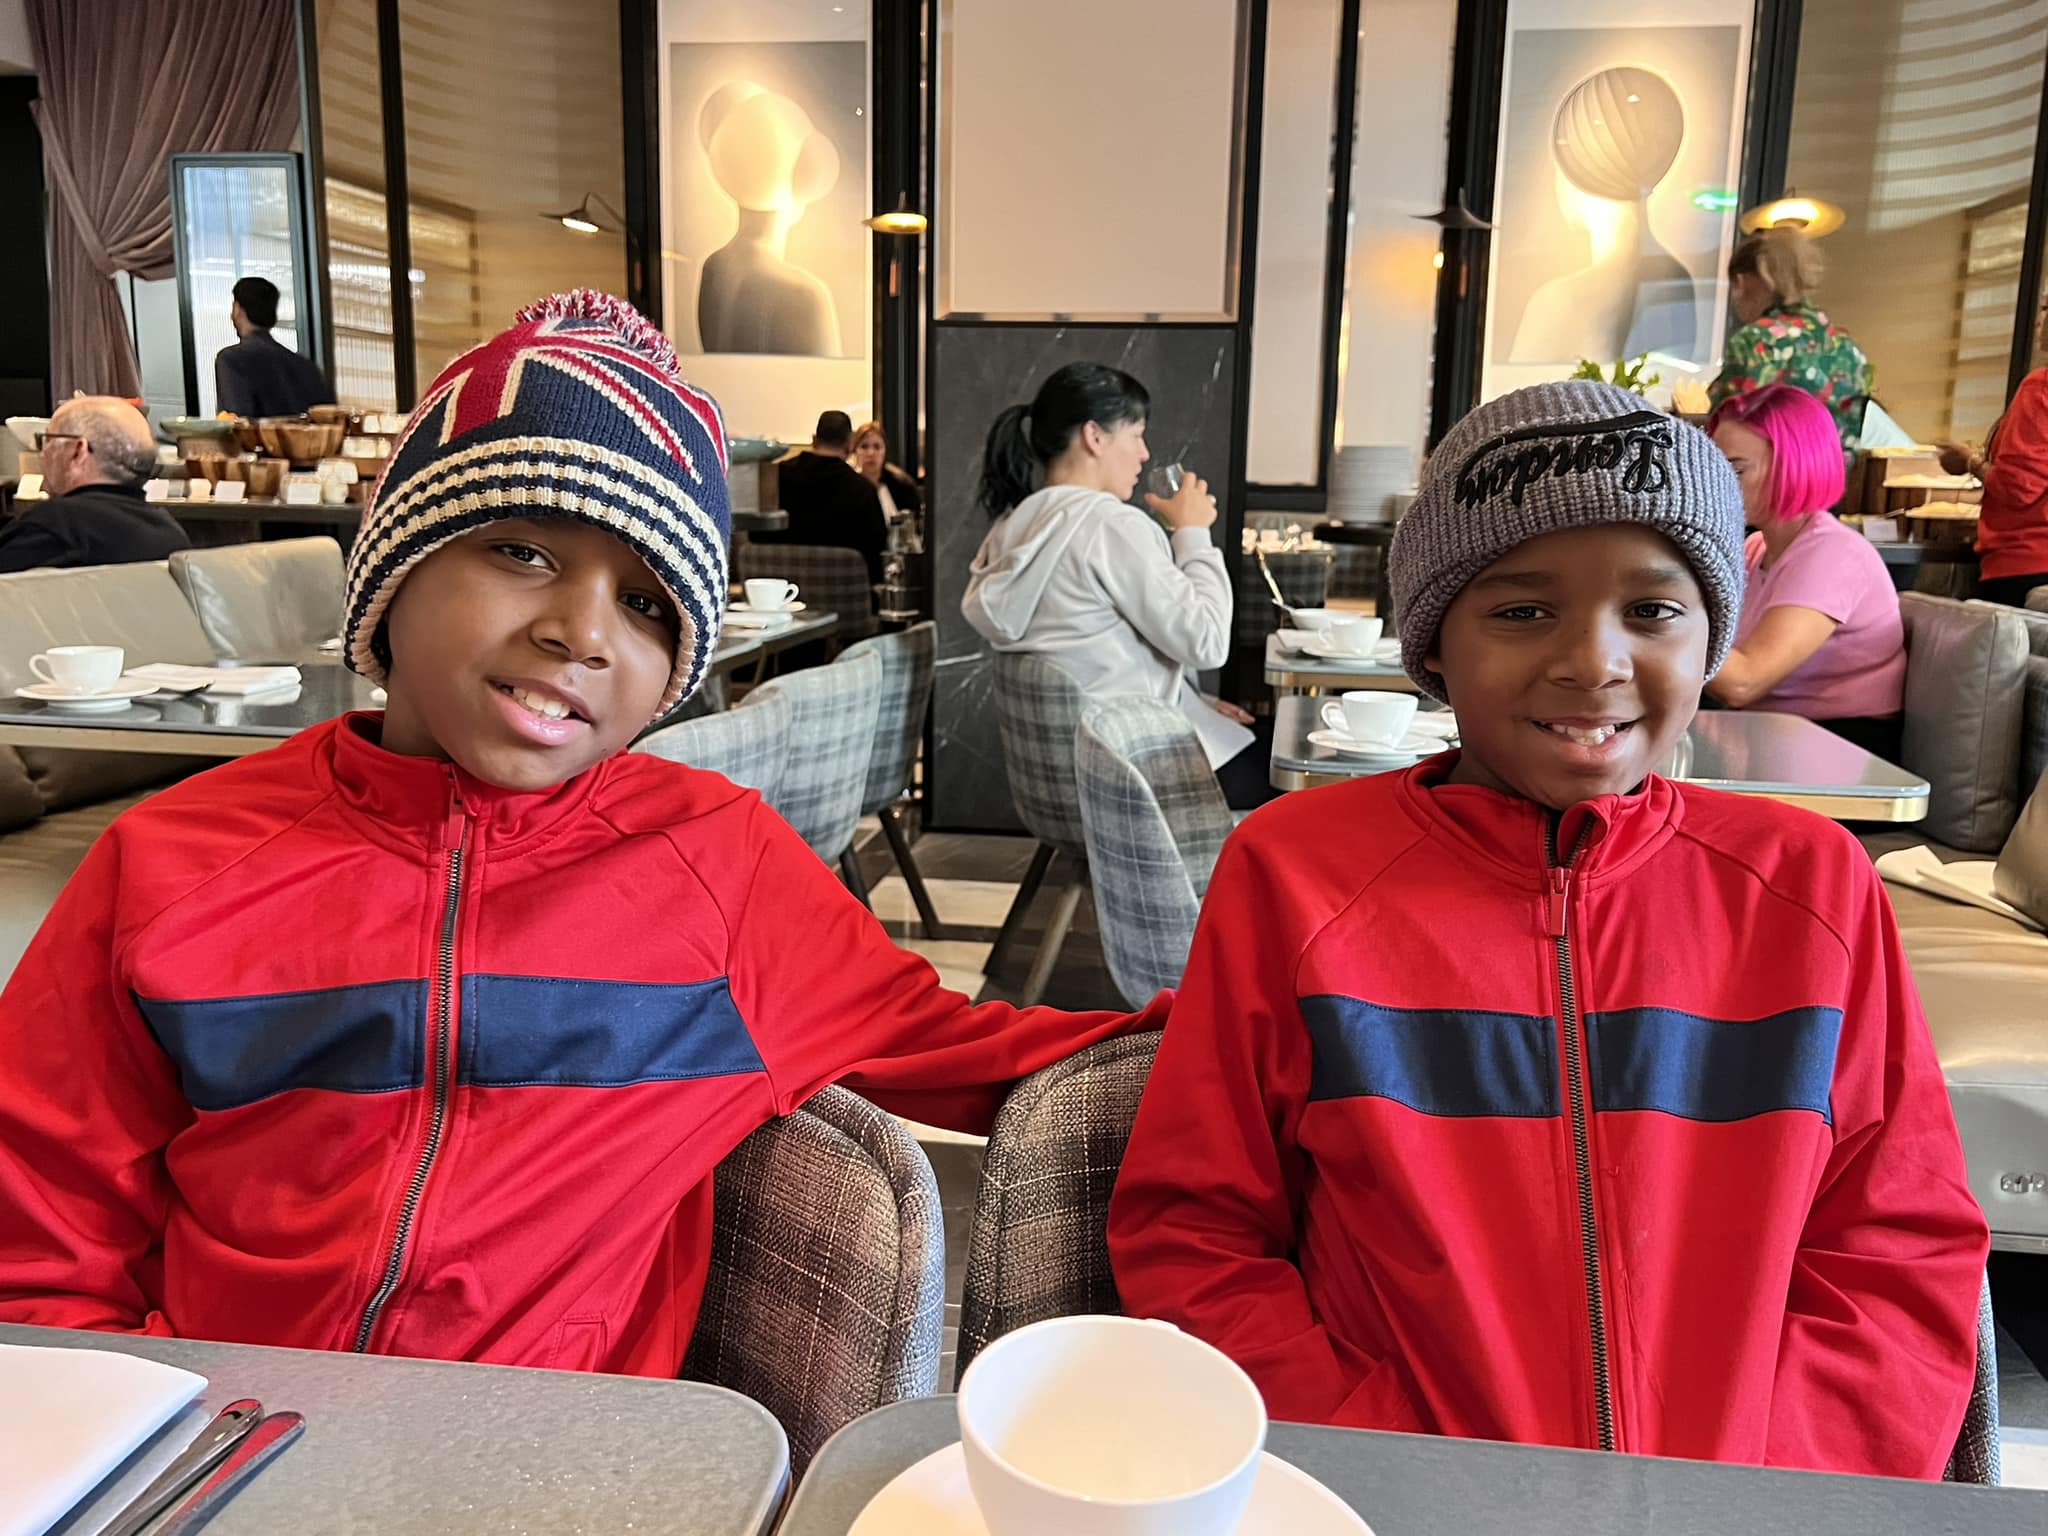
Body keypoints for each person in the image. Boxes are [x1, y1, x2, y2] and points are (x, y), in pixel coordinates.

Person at [0, 291, 1163, 1370]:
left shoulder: (720, 864)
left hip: (566, 1459)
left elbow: (979, 1057)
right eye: (523, 550)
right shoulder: (172, 862)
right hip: (222, 1445)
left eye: (648, 604)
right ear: (394, 569)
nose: (581, 632)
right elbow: (40, 1231)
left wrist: (1259, 1028)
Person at [1109, 380, 1985, 1477]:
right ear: (1432, 645)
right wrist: (1378, 1469)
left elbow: (1897, 1245)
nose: (1593, 661)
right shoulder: (1291, 875)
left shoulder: (1811, 889)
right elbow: (1194, 1233)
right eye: (1520, 610)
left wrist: (1773, 1490)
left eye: (1652, 611)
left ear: (1714, 629)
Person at [959, 362, 1263, 807]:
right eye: (1136, 434)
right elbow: (1208, 643)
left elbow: (1093, 659)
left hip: (1074, 779)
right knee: (1308, 769)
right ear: (1095, 436)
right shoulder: (1110, 525)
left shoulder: (1011, 528)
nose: (1144, 453)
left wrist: (1190, 700)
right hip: (1145, 775)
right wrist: (1193, 533)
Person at [1704, 383, 1906, 758]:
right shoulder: (1757, 548)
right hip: (1767, 738)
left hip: (1840, 753)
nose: (1714, 485)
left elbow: (1744, 682)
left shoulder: (1832, 554)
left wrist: (1654, 634)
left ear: (1791, 466)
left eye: (1734, 470)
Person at [1709, 228, 1873, 458]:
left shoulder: (1757, 342)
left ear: (1743, 281)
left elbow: (1725, 432)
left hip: (1767, 487)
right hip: (1828, 488)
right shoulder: (1849, 350)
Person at [1938, 298, 2048, 607]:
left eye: (2046, 307)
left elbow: (2018, 487)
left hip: (2025, 566)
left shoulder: (2041, 387)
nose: (2038, 317)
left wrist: (1970, 462)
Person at [0, 396, 188, 573]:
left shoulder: (58, 525)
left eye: (47, 440)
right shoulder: (171, 533)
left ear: (78, 450)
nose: (42, 454)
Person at [753, 409, 889, 590]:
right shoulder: (863, 490)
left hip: (779, 593)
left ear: (814, 440)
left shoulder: (775, 477)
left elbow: (756, 533)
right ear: (849, 445)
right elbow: (876, 557)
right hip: (843, 597)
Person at [214, 276, 335, 420]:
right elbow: (330, 419)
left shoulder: (232, 360)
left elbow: (235, 424)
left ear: (237, 310)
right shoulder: (306, 366)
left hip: (259, 442)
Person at [852, 419, 922, 522]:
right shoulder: (849, 486)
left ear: (885, 451)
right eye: (864, 447)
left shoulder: (903, 485)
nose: (871, 453)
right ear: (855, 451)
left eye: (877, 447)